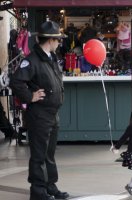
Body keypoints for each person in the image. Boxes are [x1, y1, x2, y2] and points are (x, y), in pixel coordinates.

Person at [10, 21, 69, 200]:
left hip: (52, 113)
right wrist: (30, 96)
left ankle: (50, 185)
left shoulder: (50, 57)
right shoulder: (32, 60)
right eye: (58, 40)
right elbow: (16, 82)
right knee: (39, 154)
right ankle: (38, 191)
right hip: (39, 115)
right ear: (50, 40)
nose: (60, 43)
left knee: (49, 153)